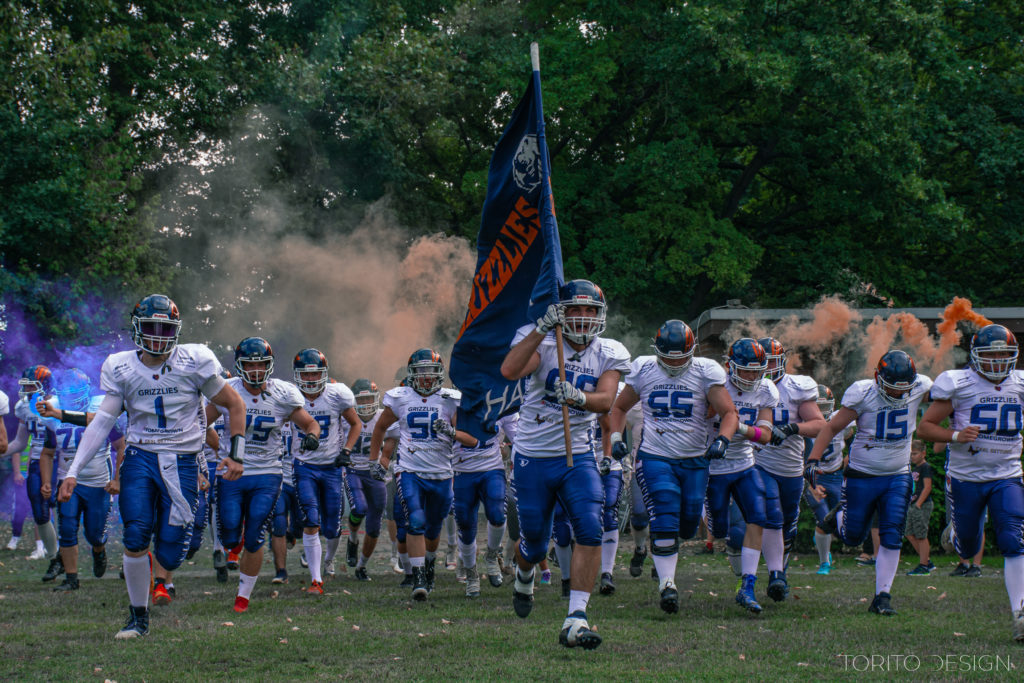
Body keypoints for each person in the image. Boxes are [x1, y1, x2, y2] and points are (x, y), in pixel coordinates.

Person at [58, 294, 247, 639]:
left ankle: (165, 573)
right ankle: (137, 616)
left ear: (176, 330)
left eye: (165, 328)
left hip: (184, 459)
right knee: (134, 535)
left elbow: (235, 404)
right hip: (141, 456)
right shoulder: (121, 365)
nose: (158, 336)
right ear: (136, 328)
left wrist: (236, 453)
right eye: (151, 328)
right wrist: (72, 471)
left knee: (173, 552)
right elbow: (103, 421)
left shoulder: (196, 360)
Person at [501, 280, 630, 649]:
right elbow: (510, 370)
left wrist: (577, 397)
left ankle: (576, 618)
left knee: (590, 527)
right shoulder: (542, 338)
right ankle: (524, 575)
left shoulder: (608, 351)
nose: (584, 316)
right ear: (563, 310)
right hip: (533, 458)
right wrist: (542, 328)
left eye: (592, 310)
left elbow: (606, 400)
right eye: (577, 308)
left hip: (578, 457)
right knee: (535, 546)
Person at [608, 320, 738, 615]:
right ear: (658, 352)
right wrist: (616, 437)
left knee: (690, 520)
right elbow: (618, 408)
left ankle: (667, 562)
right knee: (664, 511)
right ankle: (668, 584)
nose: (676, 361)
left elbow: (729, 412)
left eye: (682, 355)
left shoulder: (705, 371)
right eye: (670, 355)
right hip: (655, 455)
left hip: (694, 458)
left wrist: (723, 440)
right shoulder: (644, 369)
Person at [917, 324, 1024, 640]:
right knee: (968, 542)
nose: (997, 361)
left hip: (1006, 475)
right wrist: (955, 436)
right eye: (990, 355)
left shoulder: (1019, 384)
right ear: (976, 357)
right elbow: (924, 428)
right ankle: (956, 532)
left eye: (1003, 354)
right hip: (966, 478)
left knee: (1013, 539)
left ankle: (1020, 613)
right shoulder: (959, 383)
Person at [814, 350, 932, 616]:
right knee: (853, 536)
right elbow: (831, 428)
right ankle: (840, 515)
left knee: (892, 534)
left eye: (905, 389)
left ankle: (882, 596)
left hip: (898, 475)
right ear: (878, 378)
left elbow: (944, 401)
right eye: (893, 387)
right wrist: (812, 459)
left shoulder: (921, 385)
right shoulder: (863, 392)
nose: (900, 394)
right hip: (862, 475)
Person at [210, 337, 321, 610]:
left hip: (268, 472)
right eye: (250, 364)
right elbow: (202, 422)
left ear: (269, 365)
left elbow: (311, 424)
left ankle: (243, 596)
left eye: (261, 364)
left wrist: (313, 437)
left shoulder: (282, 392)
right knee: (231, 536)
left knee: (257, 531)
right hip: (234, 472)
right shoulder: (227, 390)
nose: (256, 370)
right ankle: (232, 551)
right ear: (239, 365)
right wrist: (219, 450)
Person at [369, 349, 470, 601]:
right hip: (410, 470)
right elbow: (380, 427)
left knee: (433, 531)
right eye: (421, 372)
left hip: (441, 472)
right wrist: (376, 459)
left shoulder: (450, 399)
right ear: (412, 374)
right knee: (415, 521)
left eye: (431, 372)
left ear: (440, 374)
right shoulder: (400, 397)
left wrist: (451, 431)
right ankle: (418, 576)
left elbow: (467, 435)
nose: (426, 378)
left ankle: (429, 564)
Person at [704, 338, 777, 614]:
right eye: (745, 370)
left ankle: (748, 585)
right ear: (729, 366)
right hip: (713, 466)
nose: (751, 376)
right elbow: (705, 414)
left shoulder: (766, 390)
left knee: (758, 516)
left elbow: (766, 435)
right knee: (721, 530)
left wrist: (738, 427)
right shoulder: (715, 383)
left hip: (744, 463)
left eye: (757, 370)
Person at [38, 368, 125, 592]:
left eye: (74, 391)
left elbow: (120, 446)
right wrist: (47, 481)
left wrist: (117, 479)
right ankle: (71, 578)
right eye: (66, 391)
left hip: (98, 482)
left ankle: (99, 549)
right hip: (67, 481)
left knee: (94, 533)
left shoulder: (100, 412)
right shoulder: (54, 417)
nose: (70, 396)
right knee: (67, 528)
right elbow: (47, 453)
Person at [753, 337, 826, 601]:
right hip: (759, 463)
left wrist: (793, 428)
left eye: (774, 361)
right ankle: (774, 575)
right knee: (771, 513)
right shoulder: (748, 386)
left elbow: (819, 424)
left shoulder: (797, 387)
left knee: (787, 522)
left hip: (791, 467)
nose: (769, 367)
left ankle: (779, 570)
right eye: (765, 362)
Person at [290, 348, 360, 586]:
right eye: (305, 375)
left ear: (324, 373)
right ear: (297, 375)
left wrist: (346, 451)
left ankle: (327, 560)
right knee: (311, 519)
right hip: (304, 466)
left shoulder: (336, 395)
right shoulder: (290, 396)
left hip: (331, 466)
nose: (310, 379)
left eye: (315, 374)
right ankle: (316, 578)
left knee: (332, 526)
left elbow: (356, 424)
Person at [450, 410, 517, 597]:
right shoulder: (453, 403)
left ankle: (491, 555)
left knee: (497, 513)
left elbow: (519, 438)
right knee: (465, 524)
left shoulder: (500, 403)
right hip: (462, 469)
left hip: (491, 467)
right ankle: (472, 575)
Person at [6, 366, 61, 568]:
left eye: (30, 385)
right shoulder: (23, 406)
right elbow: (20, 443)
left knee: (63, 510)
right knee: (40, 512)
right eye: (26, 385)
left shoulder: (57, 403)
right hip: (37, 462)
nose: (26, 389)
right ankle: (54, 558)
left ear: (44, 384)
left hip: (60, 460)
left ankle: (66, 552)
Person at [344, 379, 398, 581]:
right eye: (362, 398)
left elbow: (392, 436)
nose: (366, 402)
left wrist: (385, 456)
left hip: (375, 473)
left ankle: (362, 566)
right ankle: (352, 539)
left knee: (375, 526)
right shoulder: (346, 417)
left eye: (369, 398)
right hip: (353, 470)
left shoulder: (382, 417)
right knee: (359, 508)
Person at [802, 384, 850, 575]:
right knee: (824, 519)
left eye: (824, 406)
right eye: (817, 406)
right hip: (815, 476)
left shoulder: (842, 419)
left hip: (836, 475)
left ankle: (822, 540)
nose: (821, 411)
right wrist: (810, 484)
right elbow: (799, 458)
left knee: (840, 522)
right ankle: (824, 563)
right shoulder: (805, 424)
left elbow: (854, 433)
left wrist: (852, 455)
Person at [905, 440, 935, 575]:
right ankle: (927, 561)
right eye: (911, 454)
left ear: (923, 453)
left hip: (922, 505)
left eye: (915, 454)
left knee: (921, 535)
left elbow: (927, 487)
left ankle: (923, 565)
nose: (913, 457)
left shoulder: (925, 467)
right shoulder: (914, 468)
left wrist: (918, 504)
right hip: (913, 505)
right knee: (909, 533)